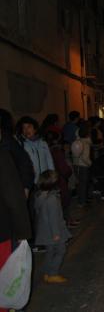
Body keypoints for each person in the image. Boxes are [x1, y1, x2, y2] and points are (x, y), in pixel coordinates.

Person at [0, 125, 31, 312]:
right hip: (2, 230)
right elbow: (14, 197)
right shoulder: (2, 157)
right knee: (4, 282)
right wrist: (23, 233)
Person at [34, 170, 71, 283]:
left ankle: (46, 272)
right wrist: (56, 234)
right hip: (54, 232)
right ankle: (53, 274)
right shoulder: (52, 199)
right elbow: (54, 218)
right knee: (61, 250)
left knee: (50, 252)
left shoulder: (39, 196)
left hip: (44, 231)